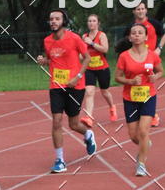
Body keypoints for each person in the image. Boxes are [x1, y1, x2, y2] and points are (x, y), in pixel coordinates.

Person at [36, 9, 96, 173]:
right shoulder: (47, 41)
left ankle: (88, 135)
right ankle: (60, 160)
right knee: (56, 121)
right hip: (56, 86)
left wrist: (77, 77)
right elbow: (52, 59)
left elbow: (87, 58)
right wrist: (44, 61)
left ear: (64, 21)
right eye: (51, 19)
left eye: (57, 18)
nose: (53, 21)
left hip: (75, 86)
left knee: (74, 124)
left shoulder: (74, 38)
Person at [115, 23, 163, 176]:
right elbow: (117, 77)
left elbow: (161, 71)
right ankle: (144, 145)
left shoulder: (152, 55)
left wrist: (155, 76)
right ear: (129, 37)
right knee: (133, 135)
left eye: (140, 33)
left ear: (146, 37)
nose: (136, 35)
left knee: (143, 131)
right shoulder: (124, 56)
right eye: (133, 33)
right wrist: (130, 82)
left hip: (148, 96)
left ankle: (141, 163)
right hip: (130, 98)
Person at [123, 1, 165, 127]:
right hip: (135, 58)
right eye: (138, 9)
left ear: (146, 10)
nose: (140, 11)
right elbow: (125, 41)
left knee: (148, 82)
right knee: (137, 84)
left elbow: (164, 35)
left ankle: (151, 113)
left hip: (150, 59)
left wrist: (159, 48)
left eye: (142, 8)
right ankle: (146, 112)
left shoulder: (153, 23)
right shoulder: (131, 27)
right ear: (134, 12)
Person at [80, 13, 117, 126]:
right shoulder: (84, 36)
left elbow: (105, 49)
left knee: (104, 91)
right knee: (89, 91)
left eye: (94, 21)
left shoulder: (101, 35)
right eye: (89, 21)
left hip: (102, 68)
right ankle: (89, 117)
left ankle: (112, 107)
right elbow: (82, 54)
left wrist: (91, 43)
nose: (91, 23)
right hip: (89, 68)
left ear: (98, 23)